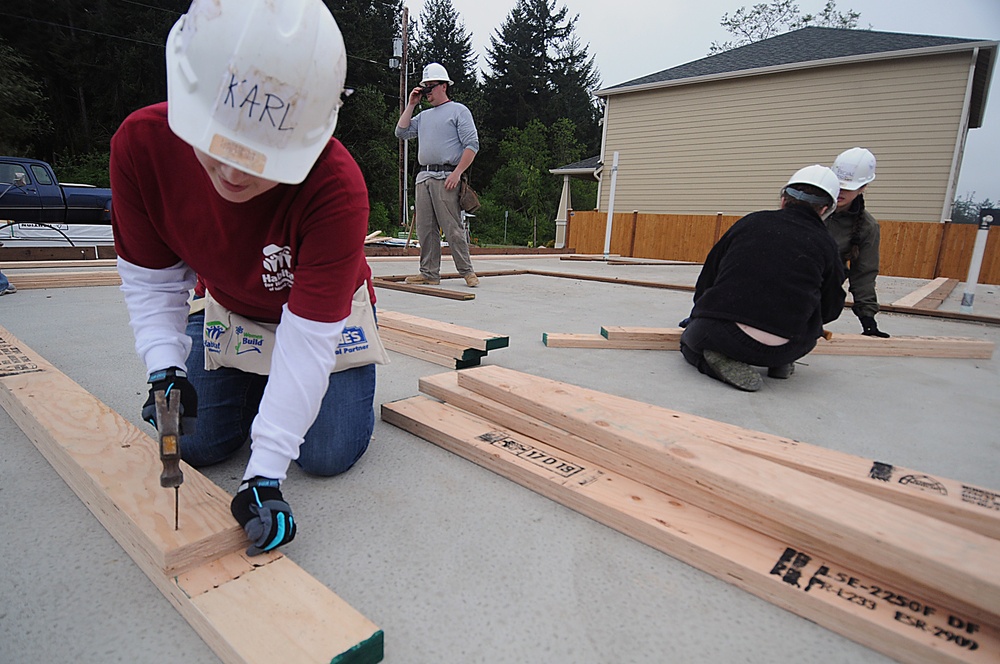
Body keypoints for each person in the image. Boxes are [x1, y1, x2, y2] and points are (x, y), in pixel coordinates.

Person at [110, 0, 383, 556]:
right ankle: (266, 388)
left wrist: (263, 476)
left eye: (259, 157)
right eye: (217, 143)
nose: (233, 173)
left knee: (325, 453)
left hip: (320, 318)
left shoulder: (335, 189)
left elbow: (307, 342)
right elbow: (154, 282)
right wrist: (163, 366)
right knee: (197, 443)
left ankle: (275, 395)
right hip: (232, 305)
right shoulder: (142, 147)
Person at [679, 166, 846, 392]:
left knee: (688, 343)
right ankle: (780, 364)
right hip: (788, 346)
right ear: (825, 209)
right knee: (807, 326)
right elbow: (831, 308)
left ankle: (714, 362)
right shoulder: (827, 244)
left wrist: (699, 316)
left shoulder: (750, 222)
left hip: (723, 335)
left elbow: (708, 277)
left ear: (783, 199)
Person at [395, 62, 480, 288]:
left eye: (430, 87)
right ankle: (429, 273)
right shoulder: (424, 116)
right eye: (425, 88)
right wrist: (411, 104)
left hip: (447, 177)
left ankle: (467, 271)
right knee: (425, 229)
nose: (427, 92)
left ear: (444, 86)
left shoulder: (459, 111)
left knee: (452, 227)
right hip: (424, 177)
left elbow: (472, 145)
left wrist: (457, 173)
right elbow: (401, 132)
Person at [827, 147, 889, 337]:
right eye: (838, 184)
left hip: (819, 295)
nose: (841, 191)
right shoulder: (808, 207)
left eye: (849, 187)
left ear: (863, 188)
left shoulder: (867, 227)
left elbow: (864, 273)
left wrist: (868, 320)